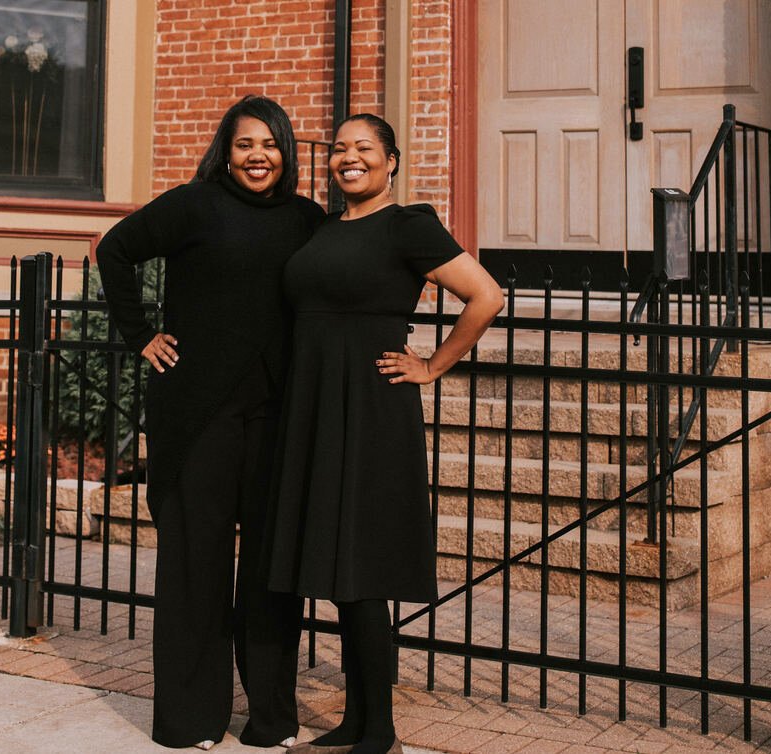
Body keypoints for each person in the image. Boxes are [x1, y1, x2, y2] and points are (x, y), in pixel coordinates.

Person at [268, 114, 504, 754]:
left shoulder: (408, 225)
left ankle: (381, 732)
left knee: (364, 569)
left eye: (364, 148)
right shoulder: (321, 228)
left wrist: (432, 365)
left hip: (373, 408)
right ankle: (355, 719)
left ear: (391, 161)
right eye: (340, 148)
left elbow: (486, 296)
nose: (349, 158)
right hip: (314, 404)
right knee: (341, 571)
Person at [96, 95, 325, 750]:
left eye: (271, 144)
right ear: (226, 150)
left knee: (270, 574)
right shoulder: (193, 204)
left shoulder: (309, 221)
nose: (259, 156)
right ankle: (190, 719)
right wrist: (141, 334)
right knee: (195, 570)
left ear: (287, 151)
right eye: (246, 144)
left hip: (276, 419)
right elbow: (115, 250)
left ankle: (271, 719)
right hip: (198, 418)